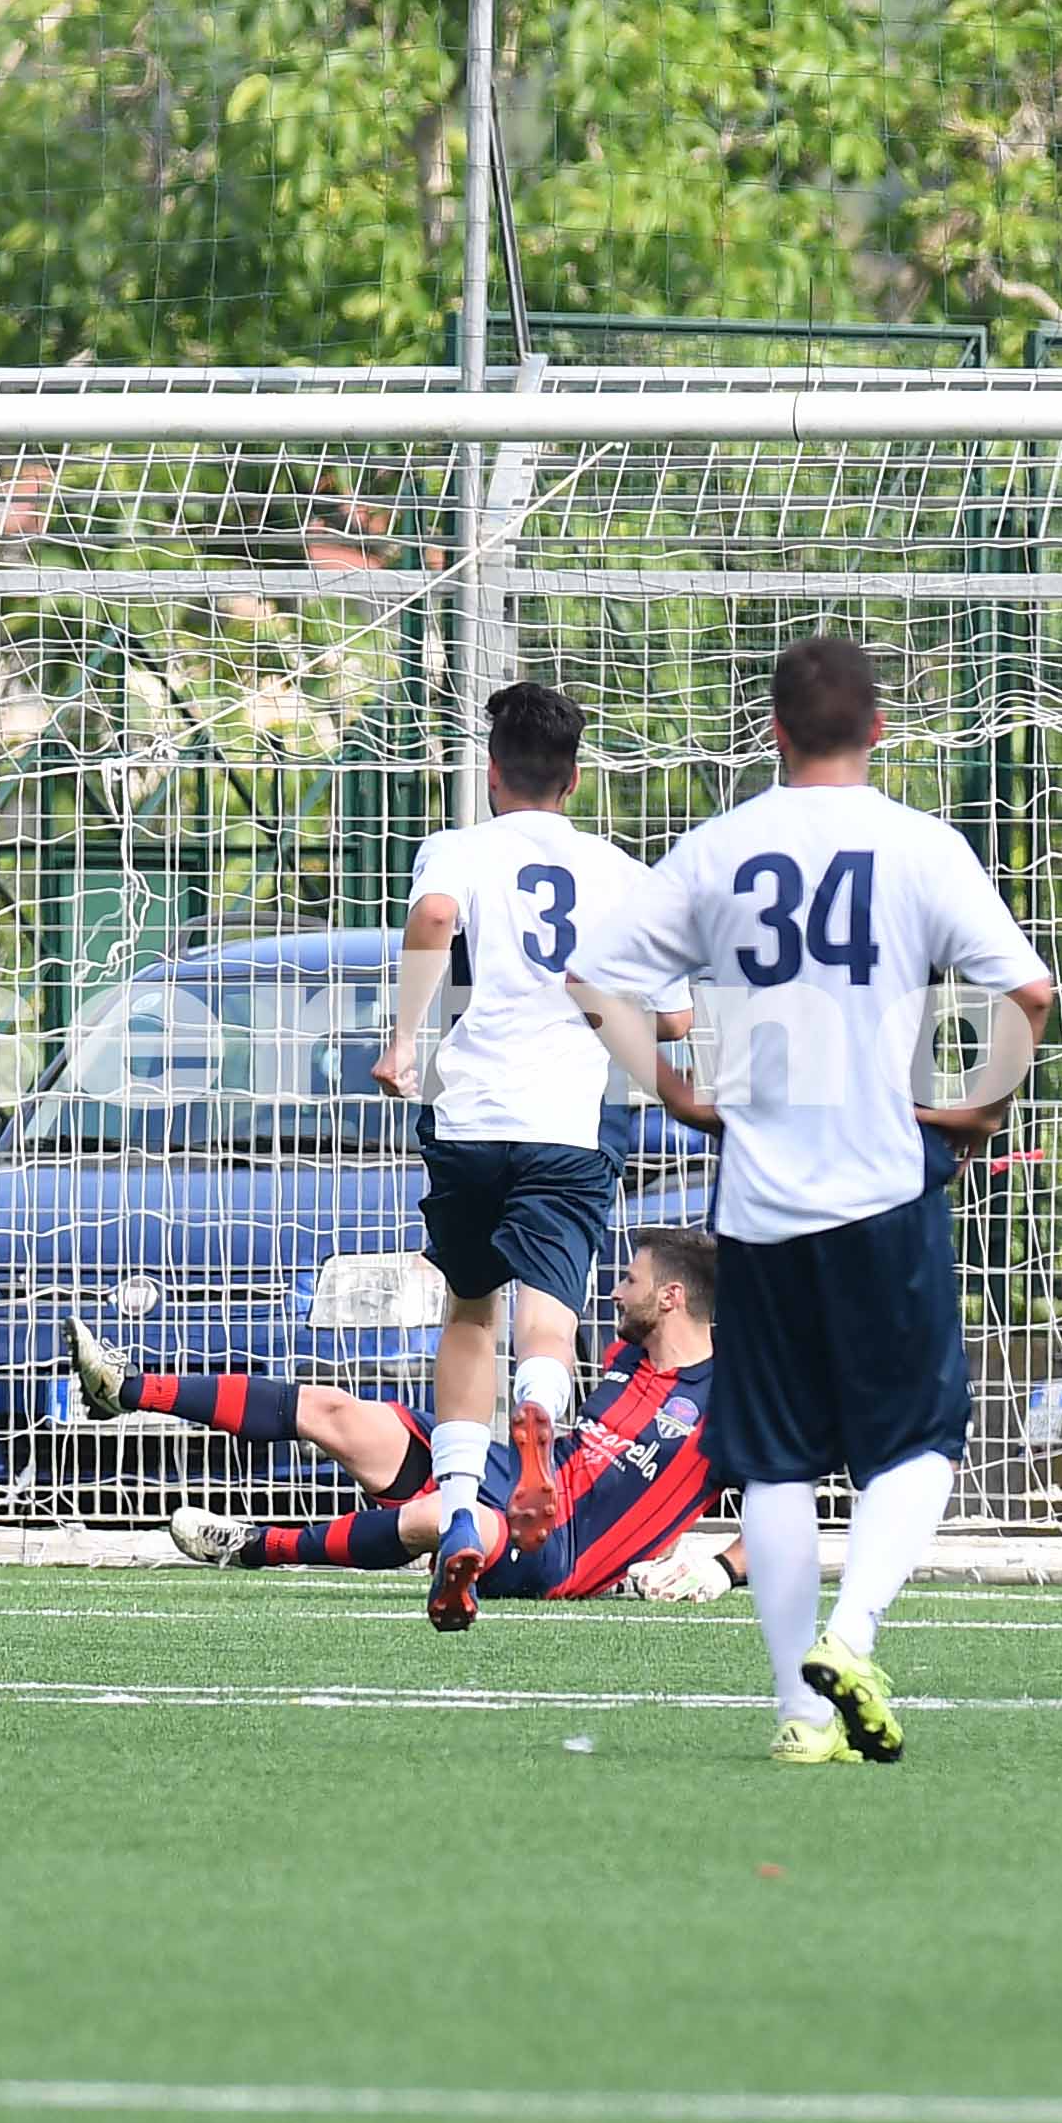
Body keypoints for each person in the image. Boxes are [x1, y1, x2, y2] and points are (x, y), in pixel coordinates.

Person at [585, 634, 1053, 1766]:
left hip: (758, 1205)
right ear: (879, 730)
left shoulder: (719, 848)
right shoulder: (919, 846)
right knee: (926, 1434)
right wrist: (981, 1109)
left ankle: (798, 1713)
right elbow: (1029, 988)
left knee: (774, 1462)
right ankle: (853, 1633)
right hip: (883, 1188)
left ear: (776, 733)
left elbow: (595, 977)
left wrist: (678, 1092)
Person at [372, 677, 677, 1631]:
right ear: (574, 780)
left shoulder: (459, 849)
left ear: (492, 774)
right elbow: (668, 1012)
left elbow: (433, 919)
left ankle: (460, 1502)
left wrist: (404, 1039)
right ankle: (538, 1426)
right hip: (564, 1123)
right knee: (548, 1320)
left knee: (469, 1312)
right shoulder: (621, 871)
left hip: (469, 1118)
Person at [108, 1222, 733, 1600]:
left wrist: (722, 1569)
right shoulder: (627, 1352)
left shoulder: (727, 1404)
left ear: (671, 1298)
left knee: (441, 1514)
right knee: (339, 1412)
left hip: (559, 1551)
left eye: (630, 1281)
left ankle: (252, 1546)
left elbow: (781, 1506)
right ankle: (126, 1389)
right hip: (514, 1474)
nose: (617, 1291)